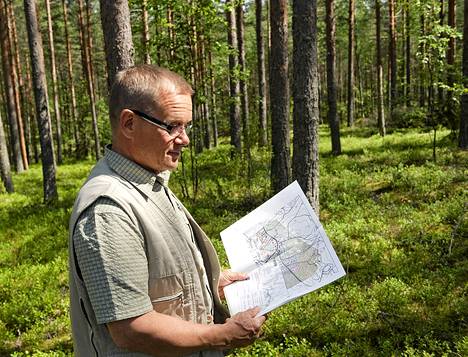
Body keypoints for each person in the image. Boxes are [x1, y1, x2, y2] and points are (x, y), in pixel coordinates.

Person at [68, 64, 266, 356]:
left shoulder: (148, 180)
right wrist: (223, 335)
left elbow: (159, 277)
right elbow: (131, 328)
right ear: (129, 124)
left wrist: (209, 282)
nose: (184, 139)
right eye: (172, 126)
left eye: (186, 126)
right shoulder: (108, 210)